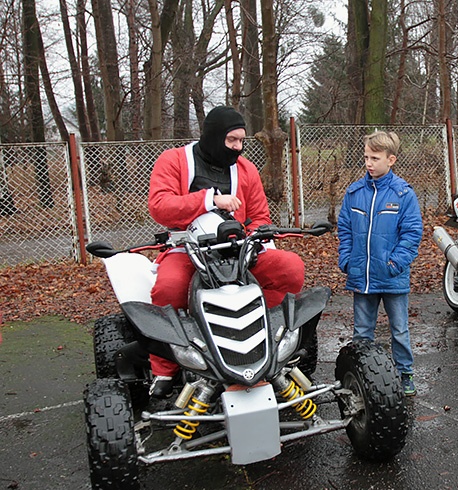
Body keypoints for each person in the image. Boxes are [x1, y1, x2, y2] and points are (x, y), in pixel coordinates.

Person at [147, 106, 306, 398]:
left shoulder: (246, 170)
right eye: (232, 140)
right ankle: (165, 368)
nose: (238, 147)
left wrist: (257, 236)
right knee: (169, 288)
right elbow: (160, 206)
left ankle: (267, 345)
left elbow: (260, 215)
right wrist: (210, 200)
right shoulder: (174, 161)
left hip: (237, 249)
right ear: (214, 136)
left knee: (290, 268)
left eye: (242, 141)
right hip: (186, 248)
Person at [338, 131, 423, 397]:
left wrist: (395, 264)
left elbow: (412, 233)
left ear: (391, 159)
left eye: (375, 158)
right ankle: (361, 375)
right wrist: (346, 260)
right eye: (366, 157)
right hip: (362, 277)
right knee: (362, 332)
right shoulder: (354, 193)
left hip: (391, 276)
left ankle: (405, 373)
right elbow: (345, 229)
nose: (369, 163)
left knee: (399, 329)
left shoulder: (403, 194)